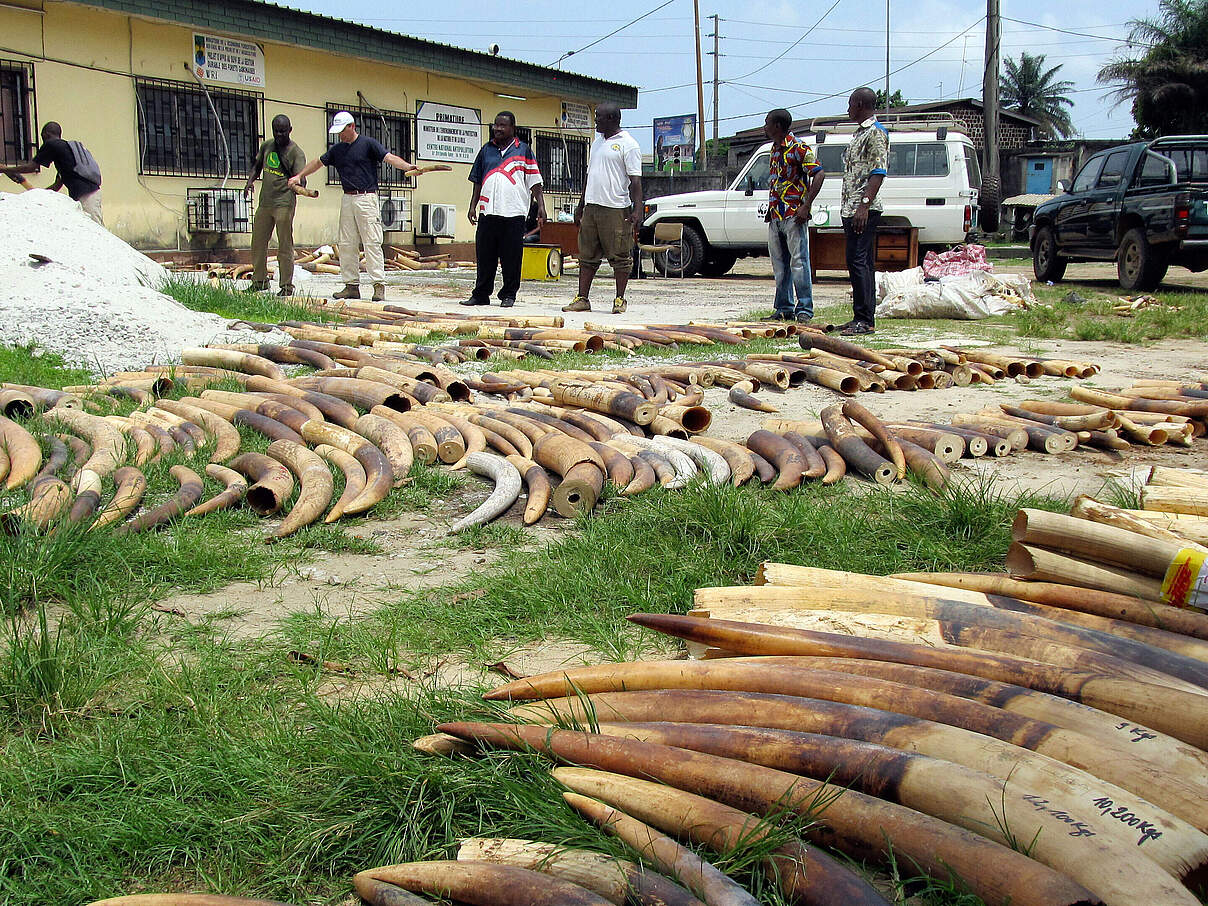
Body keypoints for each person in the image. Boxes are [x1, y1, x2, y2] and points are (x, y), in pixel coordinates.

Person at [288, 111, 419, 302]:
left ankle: (378, 285)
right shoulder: (337, 149)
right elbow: (318, 162)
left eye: (343, 130)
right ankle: (351, 285)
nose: (340, 135)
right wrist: (299, 176)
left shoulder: (368, 144)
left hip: (367, 197)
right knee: (347, 244)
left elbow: (388, 157)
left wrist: (407, 167)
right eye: (338, 131)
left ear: (352, 127)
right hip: (347, 198)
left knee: (372, 242)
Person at [563, 103, 643, 314]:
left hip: (616, 208)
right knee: (587, 254)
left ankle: (619, 299)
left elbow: (635, 181)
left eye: (598, 117)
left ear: (611, 119)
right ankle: (582, 298)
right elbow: (589, 177)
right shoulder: (597, 143)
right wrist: (581, 206)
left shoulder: (629, 145)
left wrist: (637, 209)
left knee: (620, 255)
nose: (596, 121)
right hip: (592, 208)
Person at [461, 111, 546, 309]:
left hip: (513, 213)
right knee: (485, 256)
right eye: (496, 125)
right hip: (488, 212)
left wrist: (541, 206)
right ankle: (481, 294)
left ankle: (508, 295)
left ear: (512, 128)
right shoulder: (486, 150)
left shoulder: (523, 150)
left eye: (502, 125)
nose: (497, 129)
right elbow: (477, 181)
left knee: (511, 258)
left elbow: (535, 182)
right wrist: (472, 206)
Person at [762, 108, 824, 324]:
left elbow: (818, 173)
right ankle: (784, 307)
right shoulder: (774, 149)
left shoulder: (798, 148)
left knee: (799, 262)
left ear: (777, 126)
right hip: (776, 214)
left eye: (767, 123)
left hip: (793, 214)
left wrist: (806, 206)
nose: (765, 127)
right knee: (780, 264)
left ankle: (804, 308)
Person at [838, 87, 889, 336]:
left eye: (850, 104)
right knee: (859, 261)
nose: (848, 109)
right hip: (851, 208)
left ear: (859, 103)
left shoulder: (876, 134)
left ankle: (865, 319)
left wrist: (864, 205)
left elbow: (878, 172)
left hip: (863, 209)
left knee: (859, 262)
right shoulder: (859, 134)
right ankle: (861, 315)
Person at [243, 115, 307, 297]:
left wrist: (300, 183)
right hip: (265, 202)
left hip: (284, 203)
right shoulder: (267, 146)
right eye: (276, 131)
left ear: (290, 130)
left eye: (283, 131)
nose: (279, 135)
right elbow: (257, 166)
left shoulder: (296, 152)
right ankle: (259, 281)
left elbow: (301, 176)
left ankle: (286, 286)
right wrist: (249, 182)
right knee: (258, 243)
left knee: (284, 245)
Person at [2, 122, 103, 225]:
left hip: (86, 195)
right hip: (92, 192)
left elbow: (31, 167)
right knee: (91, 227)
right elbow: (57, 186)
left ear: (46, 134)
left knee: (96, 228)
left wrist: (4, 170)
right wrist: (38, 195)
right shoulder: (66, 156)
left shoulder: (51, 144)